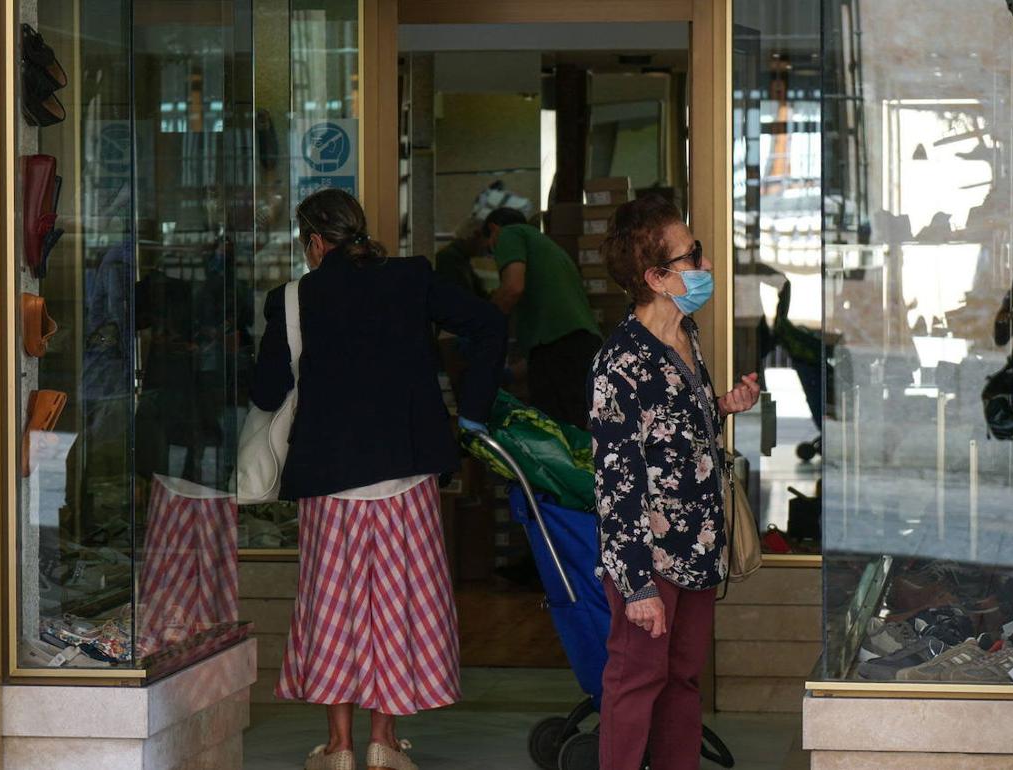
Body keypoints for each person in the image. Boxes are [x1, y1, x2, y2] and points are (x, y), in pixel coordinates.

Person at [250, 189, 507, 770]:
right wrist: (471, 411)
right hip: (406, 473)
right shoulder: (413, 278)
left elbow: (267, 392)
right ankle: (383, 742)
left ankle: (338, 746)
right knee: (397, 604)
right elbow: (490, 325)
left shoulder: (294, 298)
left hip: (329, 479)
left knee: (334, 605)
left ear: (314, 241)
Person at [588, 195, 760, 770]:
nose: (705, 267)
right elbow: (617, 480)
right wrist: (635, 585)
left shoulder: (685, 337)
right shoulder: (620, 361)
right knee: (637, 682)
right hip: (652, 558)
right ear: (656, 277)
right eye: (693, 256)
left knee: (683, 681)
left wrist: (722, 405)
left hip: (700, 546)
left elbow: (669, 431)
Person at [484, 207, 601, 428]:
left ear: (493, 229)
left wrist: (481, 327)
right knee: (575, 426)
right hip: (580, 344)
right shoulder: (543, 244)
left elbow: (512, 288)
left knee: (555, 430)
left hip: (562, 349)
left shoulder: (509, 234)